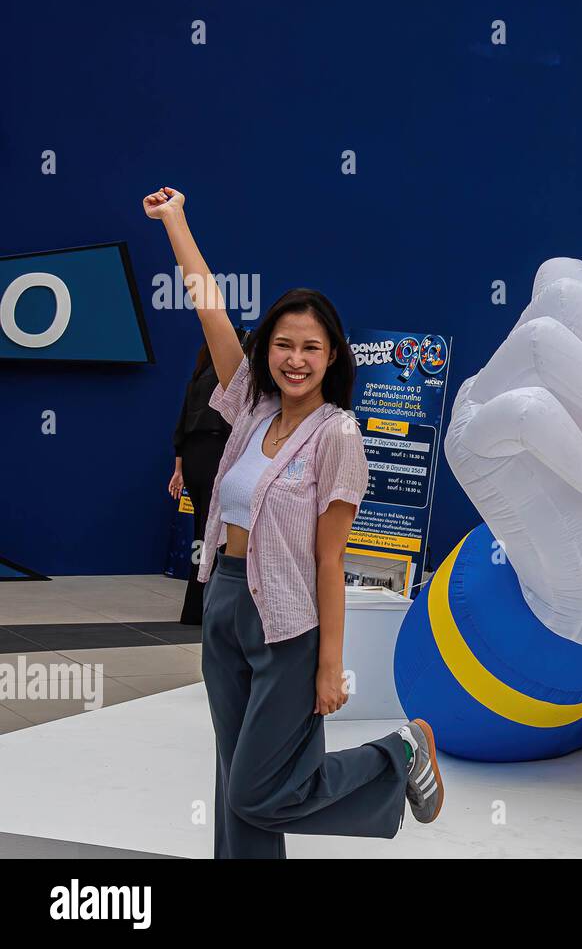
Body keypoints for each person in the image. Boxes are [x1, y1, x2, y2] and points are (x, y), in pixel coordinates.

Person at [143, 185, 444, 858]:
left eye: (311, 347)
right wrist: (176, 220)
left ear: (332, 355)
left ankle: (397, 754)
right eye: (284, 344)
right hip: (225, 597)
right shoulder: (251, 404)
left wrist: (330, 666)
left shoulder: (338, 435)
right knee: (234, 780)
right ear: (267, 350)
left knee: (262, 789)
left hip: (289, 623)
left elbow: (330, 559)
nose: (296, 359)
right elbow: (208, 304)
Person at [170, 337, 239, 625]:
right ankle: (207, 606)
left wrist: (178, 470)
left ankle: (193, 607)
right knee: (214, 535)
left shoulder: (195, 379)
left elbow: (181, 427)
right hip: (215, 456)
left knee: (201, 532)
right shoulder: (227, 382)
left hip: (193, 461)